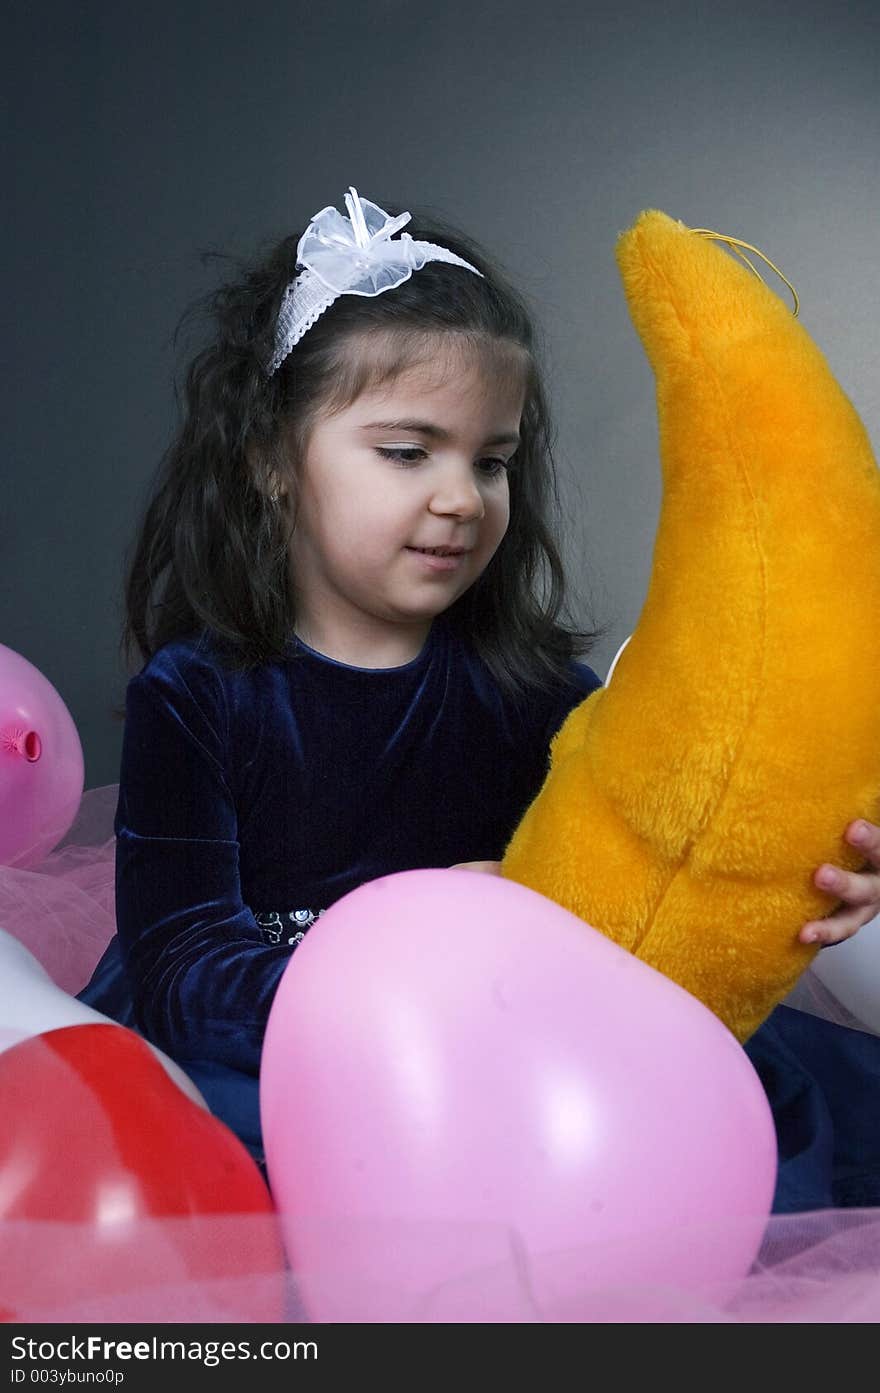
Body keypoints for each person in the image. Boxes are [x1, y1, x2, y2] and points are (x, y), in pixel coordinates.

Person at [80, 187, 880, 1206]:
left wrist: (807, 873)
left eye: (490, 460)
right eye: (408, 451)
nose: (461, 496)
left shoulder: (537, 691)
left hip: (529, 1040)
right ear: (274, 460)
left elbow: (654, 879)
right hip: (288, 1051)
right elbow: (187, 974)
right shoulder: (198, 696)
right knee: (275, 1162)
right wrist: (421, 950)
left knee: (777, 1094)